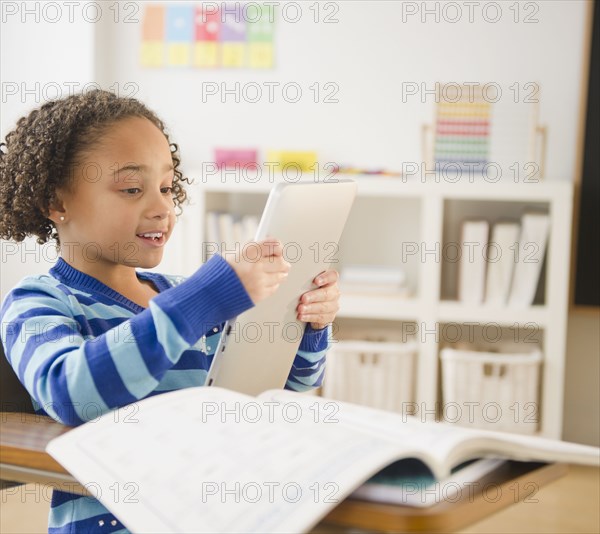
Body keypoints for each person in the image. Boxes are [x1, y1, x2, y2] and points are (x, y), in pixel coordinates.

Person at [0, 89, 340, 533]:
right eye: (132, 189)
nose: (162, 208)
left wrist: (308, 322)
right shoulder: (38, 303)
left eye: (165, 188)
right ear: (58, 203)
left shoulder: (187, 295)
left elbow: (287, 386)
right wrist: (205, 298)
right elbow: (71, 394)